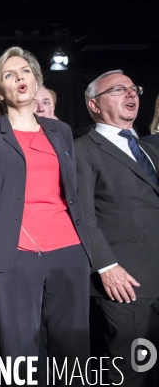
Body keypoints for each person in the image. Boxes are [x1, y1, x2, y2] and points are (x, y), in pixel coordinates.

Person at [0, 47, 93, 382]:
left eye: (25, 71)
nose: (19, 78)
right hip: (15, 255)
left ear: (36, 80)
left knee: (74, 354)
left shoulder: (61, 131)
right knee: (20, 356)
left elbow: (73, 194)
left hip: (69, 252)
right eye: (9, 75)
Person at [76, 70, 159, 387]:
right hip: (126, 283)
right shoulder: (83, 149)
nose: (131, 94)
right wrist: (106, 266)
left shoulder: (150, 149)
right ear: (94, 105)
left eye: (134, 88)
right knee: (130, 373)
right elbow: (82, 216)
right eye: (119, 89)